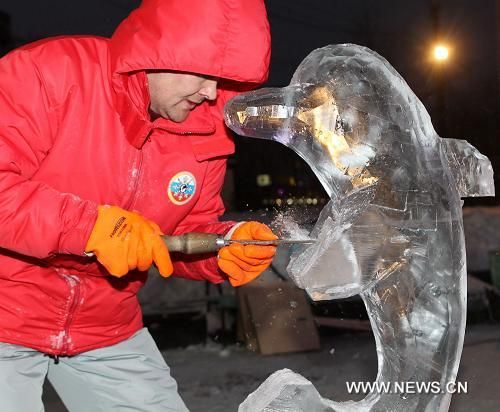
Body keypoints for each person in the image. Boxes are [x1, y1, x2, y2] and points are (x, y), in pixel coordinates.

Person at [0, 0, 274, 410]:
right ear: (159, 52)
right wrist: (90, 227)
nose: (212, 93)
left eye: (224, 80)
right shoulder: (48, 73)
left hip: (104, 323)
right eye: (203, 74)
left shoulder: (205, 131)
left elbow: (178, 234)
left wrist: (224, 246)